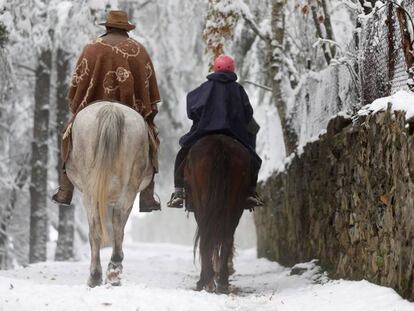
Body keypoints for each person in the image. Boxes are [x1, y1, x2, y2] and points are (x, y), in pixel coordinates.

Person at [52, 10, 161, 212]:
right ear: (126, 28)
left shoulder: (92, 47)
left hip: (92, 104)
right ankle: (147, 195)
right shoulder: (138, 50)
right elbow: (148, 87)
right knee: (152, 138)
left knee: (68, 135)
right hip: (132, 107)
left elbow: (78, 83)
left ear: (107, 26)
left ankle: (65, 187)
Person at [167, 55, 264, 209]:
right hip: (234, 134)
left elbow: (192, 109)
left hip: (204, 131)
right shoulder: (238, 89)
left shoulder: (204, 88)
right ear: (233, 69)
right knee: (253, 160)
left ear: (214, 68)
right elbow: (248, 113)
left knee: (182, 155)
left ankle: (178, 193)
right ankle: (251, 193)